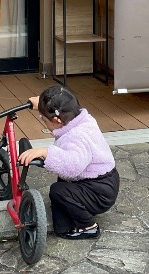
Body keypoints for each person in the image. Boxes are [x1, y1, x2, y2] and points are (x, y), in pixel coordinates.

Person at [17, 85, 120, 240]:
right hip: (103, 181)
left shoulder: (77, 137)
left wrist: (46, 153)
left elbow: (71, 167)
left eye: (44, 120)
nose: (43, 121)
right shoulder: (81, 119)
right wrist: (43, 106)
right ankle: (64, 226)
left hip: (99, 191)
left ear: (57, 120)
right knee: (61, 188)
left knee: (59, 190)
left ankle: (88, 226)